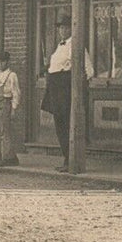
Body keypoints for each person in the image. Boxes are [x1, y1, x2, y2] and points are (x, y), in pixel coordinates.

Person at [40, 15, 87, 171]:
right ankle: (66, 158)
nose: (62, 31)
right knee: (59, 124)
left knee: (67, 124)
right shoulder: (60, 46)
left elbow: (88, 69)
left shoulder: (76, 45)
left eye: (66, 27)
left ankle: (71, 160)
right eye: (60, 28)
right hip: (55, 88)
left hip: (65, 89)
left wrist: (75, 85)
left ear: (71, 29)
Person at [0, 50, 21, 167]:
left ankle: (6, 158)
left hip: (6, 103)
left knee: (5, 132)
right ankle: (11, 156)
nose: (0, 64)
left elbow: (16, 93)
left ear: (8, 62)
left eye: (3, 61)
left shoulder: (12, 75)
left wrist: (14, 108)